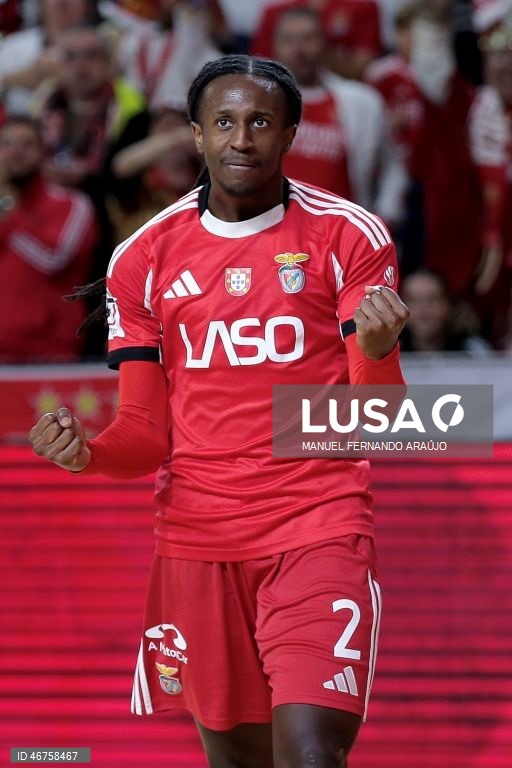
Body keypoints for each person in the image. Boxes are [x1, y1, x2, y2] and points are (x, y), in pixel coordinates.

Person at [29, 55, 409, 767]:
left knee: (310, 755)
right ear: (196, 136)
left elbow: (379, 417)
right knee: (237, 761)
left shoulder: (349, 235)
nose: (242, 139)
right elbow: (145, 433)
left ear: (291, 133)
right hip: (198, 540)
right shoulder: (143, 256)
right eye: (224, 122)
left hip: (317, 525)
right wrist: (89, 454)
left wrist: (380, 350)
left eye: (261, 121)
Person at [272, 6, 406, 227]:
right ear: (275, 46)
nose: (299, 49)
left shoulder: (363, 103)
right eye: (289, 40)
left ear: (324, 43)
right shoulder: (258, 105)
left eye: (308, 38)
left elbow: (394, 164)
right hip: (275, 231)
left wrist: (386, 215)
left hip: (341, 235)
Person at [0, 116, 97, 363]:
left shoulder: (72, 203)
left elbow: (54, 260)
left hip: (49, 354)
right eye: (7, 144)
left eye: (27, 144)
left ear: (44, 152)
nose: (15, 153)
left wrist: (10, 213)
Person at [399, 269, 493, 355]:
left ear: (448, 305)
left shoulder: (473, 351)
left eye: (432, 300)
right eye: (413, 301)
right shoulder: (388, 350)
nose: (423, 309)